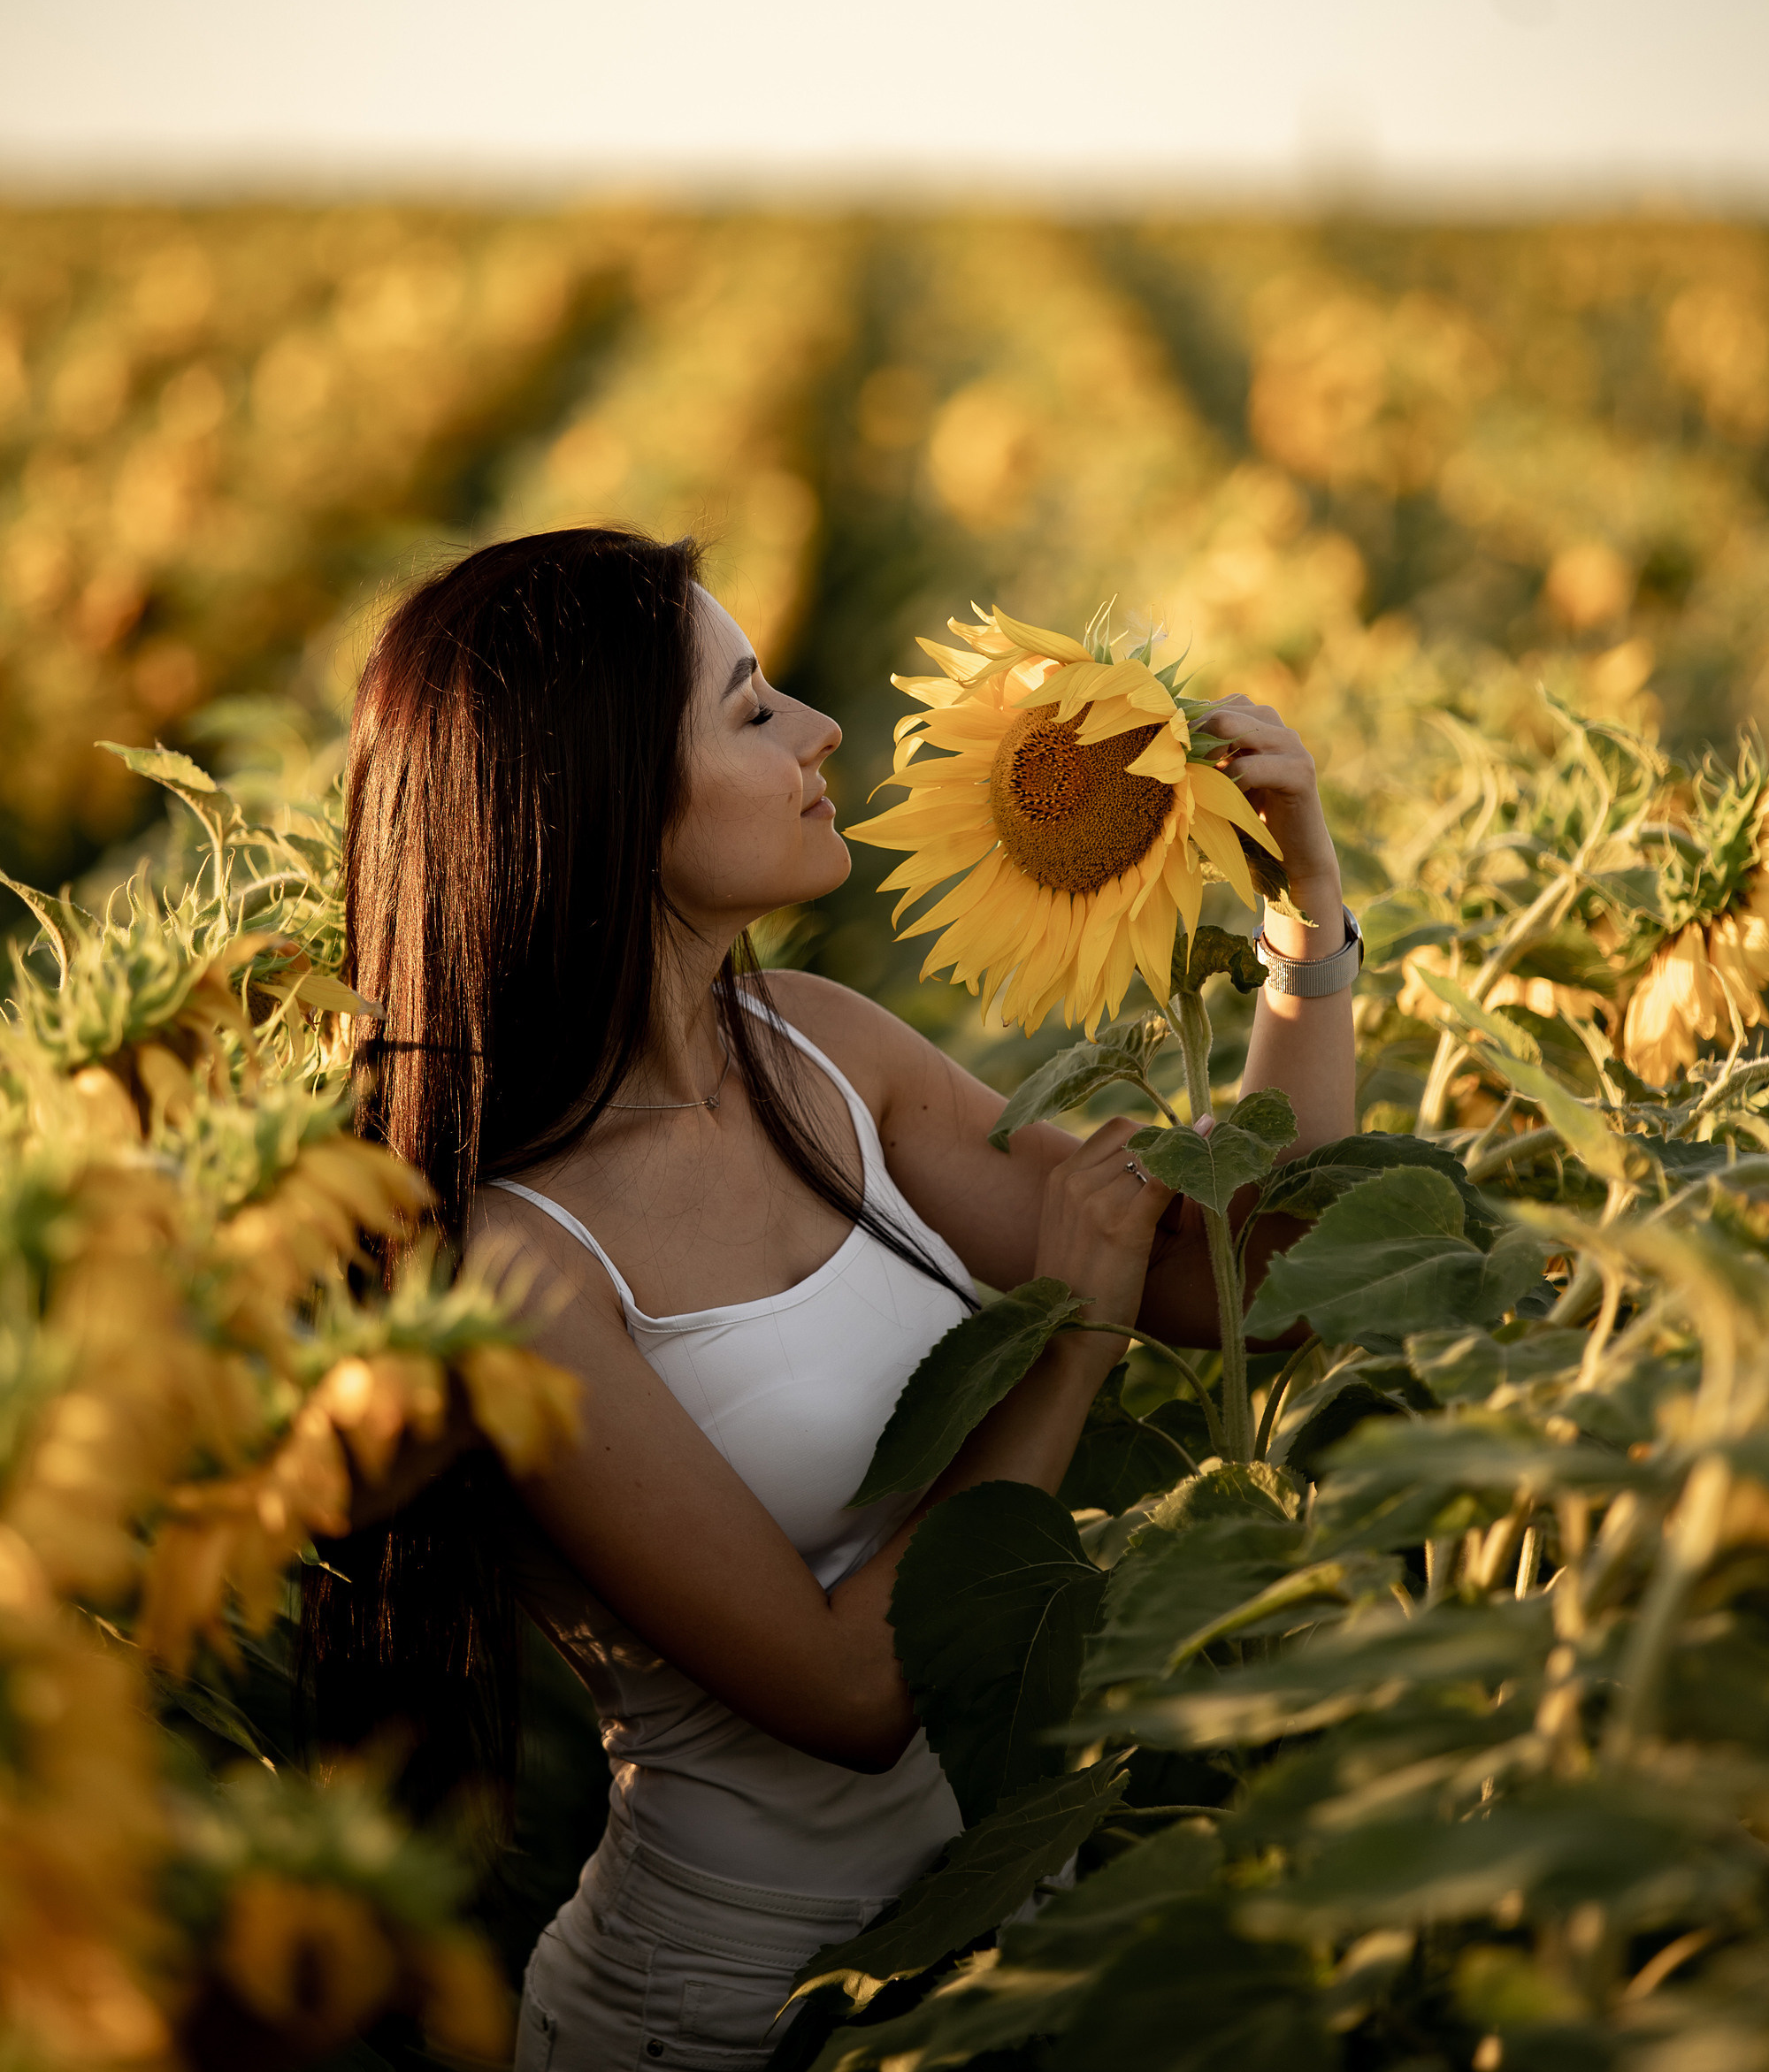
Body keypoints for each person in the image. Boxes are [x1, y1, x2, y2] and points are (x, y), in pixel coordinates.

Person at [329, 526, 1355, 2072]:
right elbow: (856, 1689)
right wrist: (1064, 1347)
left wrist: (1306, 932)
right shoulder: (514, 1269)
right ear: (606, 806)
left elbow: (1245, 1286)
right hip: (726, 2014)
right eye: (749, 710)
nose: (817, 733)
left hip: (998, 1946)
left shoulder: (815, 1049)